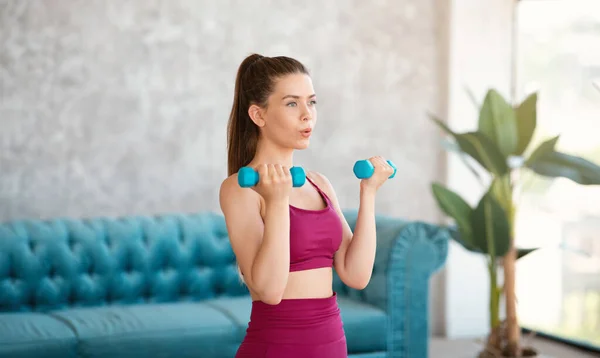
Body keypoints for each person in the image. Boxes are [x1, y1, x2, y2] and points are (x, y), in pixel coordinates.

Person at [219, 53, 394, 358]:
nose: (307, 115)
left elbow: (356, 275)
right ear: (259, 116)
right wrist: (276, 202)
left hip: (331, 344)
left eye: (311, 102)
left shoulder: (319, 184)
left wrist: (369, 193)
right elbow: (270, 291)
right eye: (291, 103)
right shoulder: (241, 189)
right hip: (276, 348)